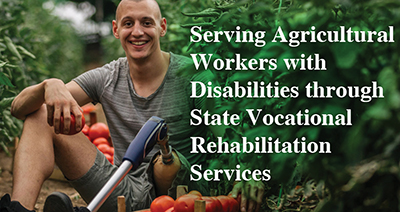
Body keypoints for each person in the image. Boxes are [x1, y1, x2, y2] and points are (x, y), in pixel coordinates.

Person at [0, 0, 264, 211]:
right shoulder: (107, 77)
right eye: (129, 23)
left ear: (162, 27)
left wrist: (249, 170)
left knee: (166, 159)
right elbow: (18, 109)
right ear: (116, 29)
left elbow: (228, 134)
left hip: (180, 198)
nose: (137, 31)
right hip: (119, 189)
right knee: (40, 112)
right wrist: (49, 85)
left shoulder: (194, 76)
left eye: (146, 22)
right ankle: (17, 209)